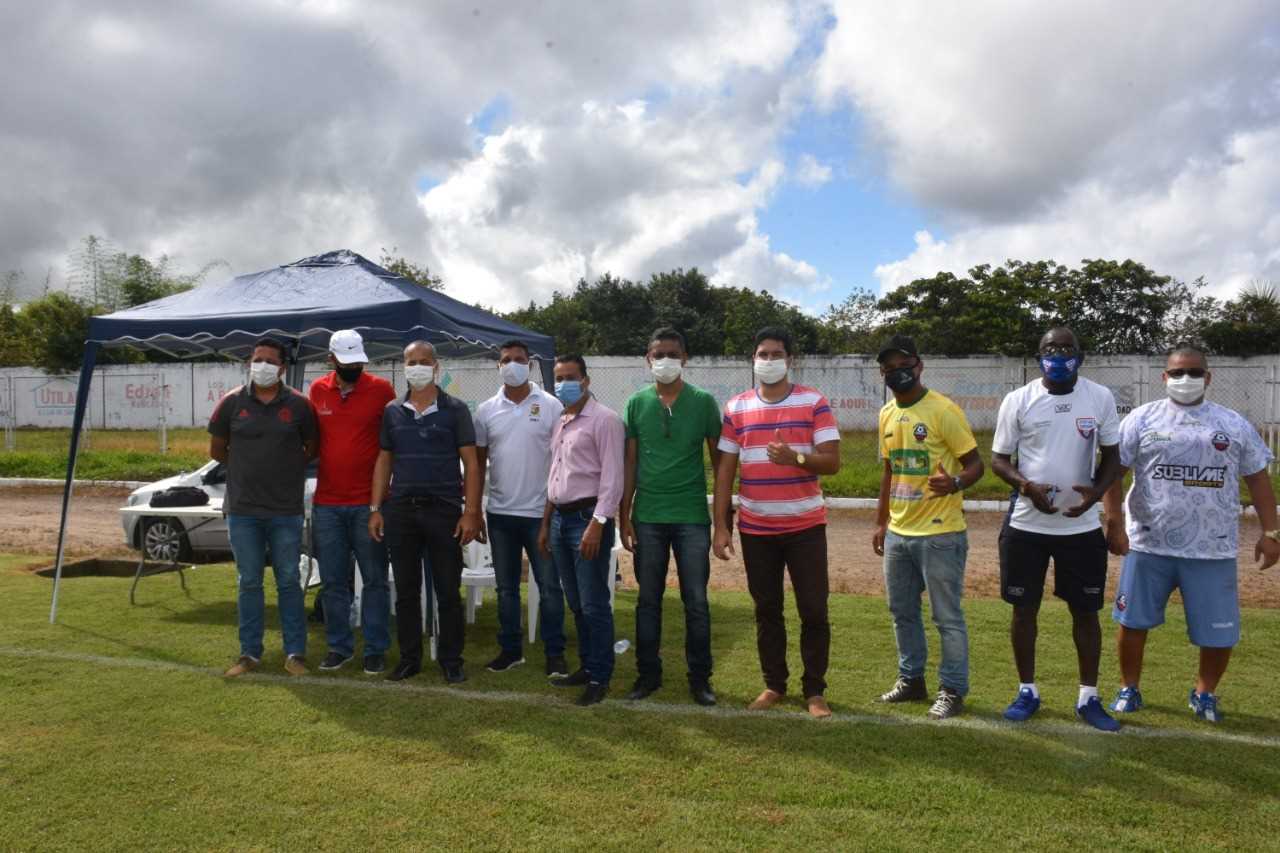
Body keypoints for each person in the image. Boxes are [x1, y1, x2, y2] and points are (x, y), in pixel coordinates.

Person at [1102, 343, 1279, 723]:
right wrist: (1114, 522)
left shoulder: (1233, 424)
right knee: (1131, 622)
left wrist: (1272, 531)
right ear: (1164, 377)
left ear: (1208, 378)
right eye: (1178, 372)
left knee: (1218, 633)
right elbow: (1112, 474)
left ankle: (1204, 693)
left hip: (1213, 549)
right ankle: (1128, 688)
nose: (1186, 379)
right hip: (1148, 543)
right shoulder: (1141, 419)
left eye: (1194, 372)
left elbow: (1259, 480)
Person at [990, 327, 1123, 731]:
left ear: (1081, 356)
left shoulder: (1099, 397)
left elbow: (1114, 457)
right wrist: (1025, 487)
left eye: (1067, 348)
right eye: (1051, 348)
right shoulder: (1019, 399)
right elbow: (999, 459)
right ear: (1038, 355)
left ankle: (1088, 697)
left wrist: (1097, 494)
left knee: (1086, 612)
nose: (1059, 355)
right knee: (1023, 609)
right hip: (1026, 525)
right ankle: (1027, 690)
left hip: (1079, 527)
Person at [713, 327, 841, 719]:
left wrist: (796, 459)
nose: (768, 361)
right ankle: (774, 685)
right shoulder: (736, 407)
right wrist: (721, 525)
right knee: (767, 610)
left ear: (791, 360)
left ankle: (814, 692)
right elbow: (724, 472)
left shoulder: (813, 402)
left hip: (805, 527)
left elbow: (833, 461)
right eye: (762, 354)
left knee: (813, 611)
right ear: (753, 359)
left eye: (776, 354)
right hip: (756, 529)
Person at [872, 334, 983, 720]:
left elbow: (975, 466)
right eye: (889, 368)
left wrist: (953, 483)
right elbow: (889, 471)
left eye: (904, 365)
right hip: (899, 533)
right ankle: (911, 680)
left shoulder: (943, 410)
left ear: (919, 366)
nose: (896, 372)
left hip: (940, 534)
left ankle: (952, 689)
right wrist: (881, 521)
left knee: (946, 617)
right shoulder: (886, 413)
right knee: (902, 612)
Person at [369, 340, 484, 684]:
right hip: (401, 512)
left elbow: (472, 464)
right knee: (405, 591)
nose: (416, 367)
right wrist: (376, 508)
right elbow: (384, 460)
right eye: (410, 362)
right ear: (403, 366)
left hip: (445, 512)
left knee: (448, 591)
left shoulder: (456, 409)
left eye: (423, 361)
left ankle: (451, 660)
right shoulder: (392, 411)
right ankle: (409, 659)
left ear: (436, 366)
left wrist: (472, 512)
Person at [619, 328, 723, 707]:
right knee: (648, 601)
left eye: (672, 353)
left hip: (692, 518)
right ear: (647, 359)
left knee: (696, 601)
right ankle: (648, 675)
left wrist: (722, 515)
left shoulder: (704, 402)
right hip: (647, 517)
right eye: (658, 353)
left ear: (685, 358)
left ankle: (700, 679)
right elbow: (629, 462)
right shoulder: (635, 403)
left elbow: (720, 460)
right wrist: (623, 512)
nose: (665, 360)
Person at [210, 337, 318, 678]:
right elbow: (217, 450)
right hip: (243, 510)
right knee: (249, 582)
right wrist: (247, 469)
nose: (263, 365)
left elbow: (311, 448)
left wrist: (281, 471)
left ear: (282, 368)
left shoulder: (301, 405)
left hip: (285, 510)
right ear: (249, 363)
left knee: (288, 580)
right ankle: (249, 654)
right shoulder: (231, 403)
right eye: (258, 359)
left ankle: (295, 654)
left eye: (270, 361)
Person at [473, 339, 568, 677]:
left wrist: (551, 511)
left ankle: (555, 652)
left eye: (519, 360)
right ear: (498, 366)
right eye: (505, 360)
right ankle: (510, 650)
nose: (512, 365)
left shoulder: (552, 405)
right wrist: (476, 511)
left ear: (529, 365)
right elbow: (478, 463)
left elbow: (561, 460)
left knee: (550, 587)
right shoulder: (486, 411)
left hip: (541, 515)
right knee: (506, 589)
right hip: (499, 515)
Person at [309, 330, 396, 675]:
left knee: (374, 579)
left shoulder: (381, 391)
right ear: (331, 359)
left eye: (358, 362)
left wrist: (378, 504)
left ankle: (375, 649)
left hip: (368, 505)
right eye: (347, 363)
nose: (354, 368)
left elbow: (389, 448)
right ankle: (338, 647)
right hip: (327, 504)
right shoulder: (316, 391)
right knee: (332, 581)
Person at [539, 354, 625, 706]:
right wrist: (546, 522)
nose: (563, 384)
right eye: (558, 378)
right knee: (575, 602)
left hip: (588, 520)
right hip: (559, 519)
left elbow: (613, 479)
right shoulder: (562, 420)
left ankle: (600, 676)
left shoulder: (605, 420)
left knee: (593, 604)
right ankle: (587, 667)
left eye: (570, 377)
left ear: (586, 380)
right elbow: (554, 476)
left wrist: (597, 524)